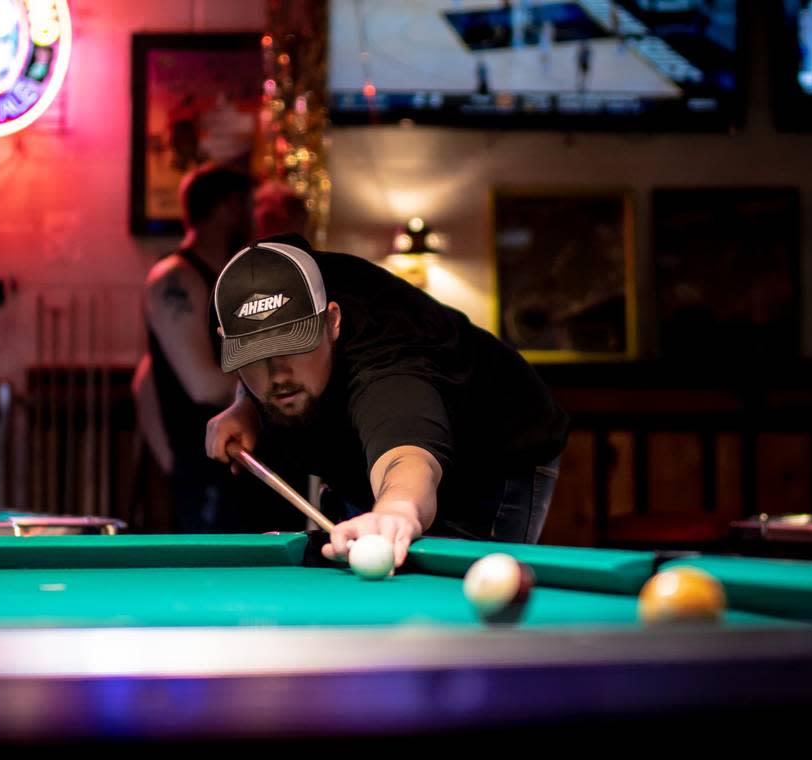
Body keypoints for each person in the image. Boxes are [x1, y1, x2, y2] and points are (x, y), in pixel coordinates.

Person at [205, 234, 568, 568]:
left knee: (456, 606)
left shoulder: (389, 362)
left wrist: (397, 508)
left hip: (492, 455)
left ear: (332, 321)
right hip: (361, 457)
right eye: (255, 356)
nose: (277, 374)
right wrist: (246, 406)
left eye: (293, 345)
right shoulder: (234, 300)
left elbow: (406, 455)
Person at [134, 163, 252, 532]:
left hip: (241, 458)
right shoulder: (176, 277)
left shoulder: (234, 274)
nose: (253, 217)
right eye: (247, 205)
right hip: (205, 464)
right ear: (227, 208)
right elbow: (201, 385)